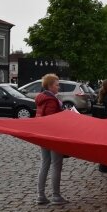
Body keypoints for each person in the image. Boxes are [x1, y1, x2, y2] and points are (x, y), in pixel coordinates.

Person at [35, 74, 68, 205]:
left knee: (45, 164)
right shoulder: (51, 100)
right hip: (53, 136)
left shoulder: (41, 98)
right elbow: (52, 121)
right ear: (49, 86)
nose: (58, 86)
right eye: (56, 84)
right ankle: (56, 195)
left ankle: (41, 195)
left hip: (43, 136)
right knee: (56, 165)